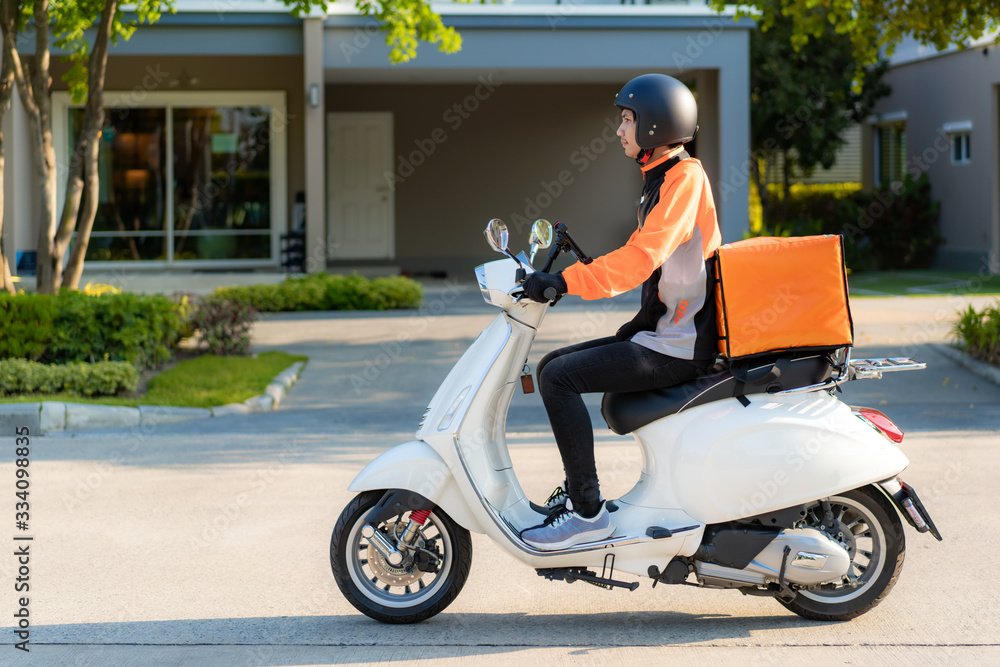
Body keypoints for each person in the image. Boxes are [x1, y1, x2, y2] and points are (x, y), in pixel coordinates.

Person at [518, 73, 722, 551]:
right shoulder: (664, 180)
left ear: (654, 126)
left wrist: (565, 282)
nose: (619, 130)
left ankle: (587, 514)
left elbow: (641, 257)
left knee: (558, 379)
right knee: (552, 367)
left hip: (680, 346)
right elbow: (653, 264)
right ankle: (580, 501)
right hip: (665, 334)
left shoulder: (684, 179)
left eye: (627, 119)